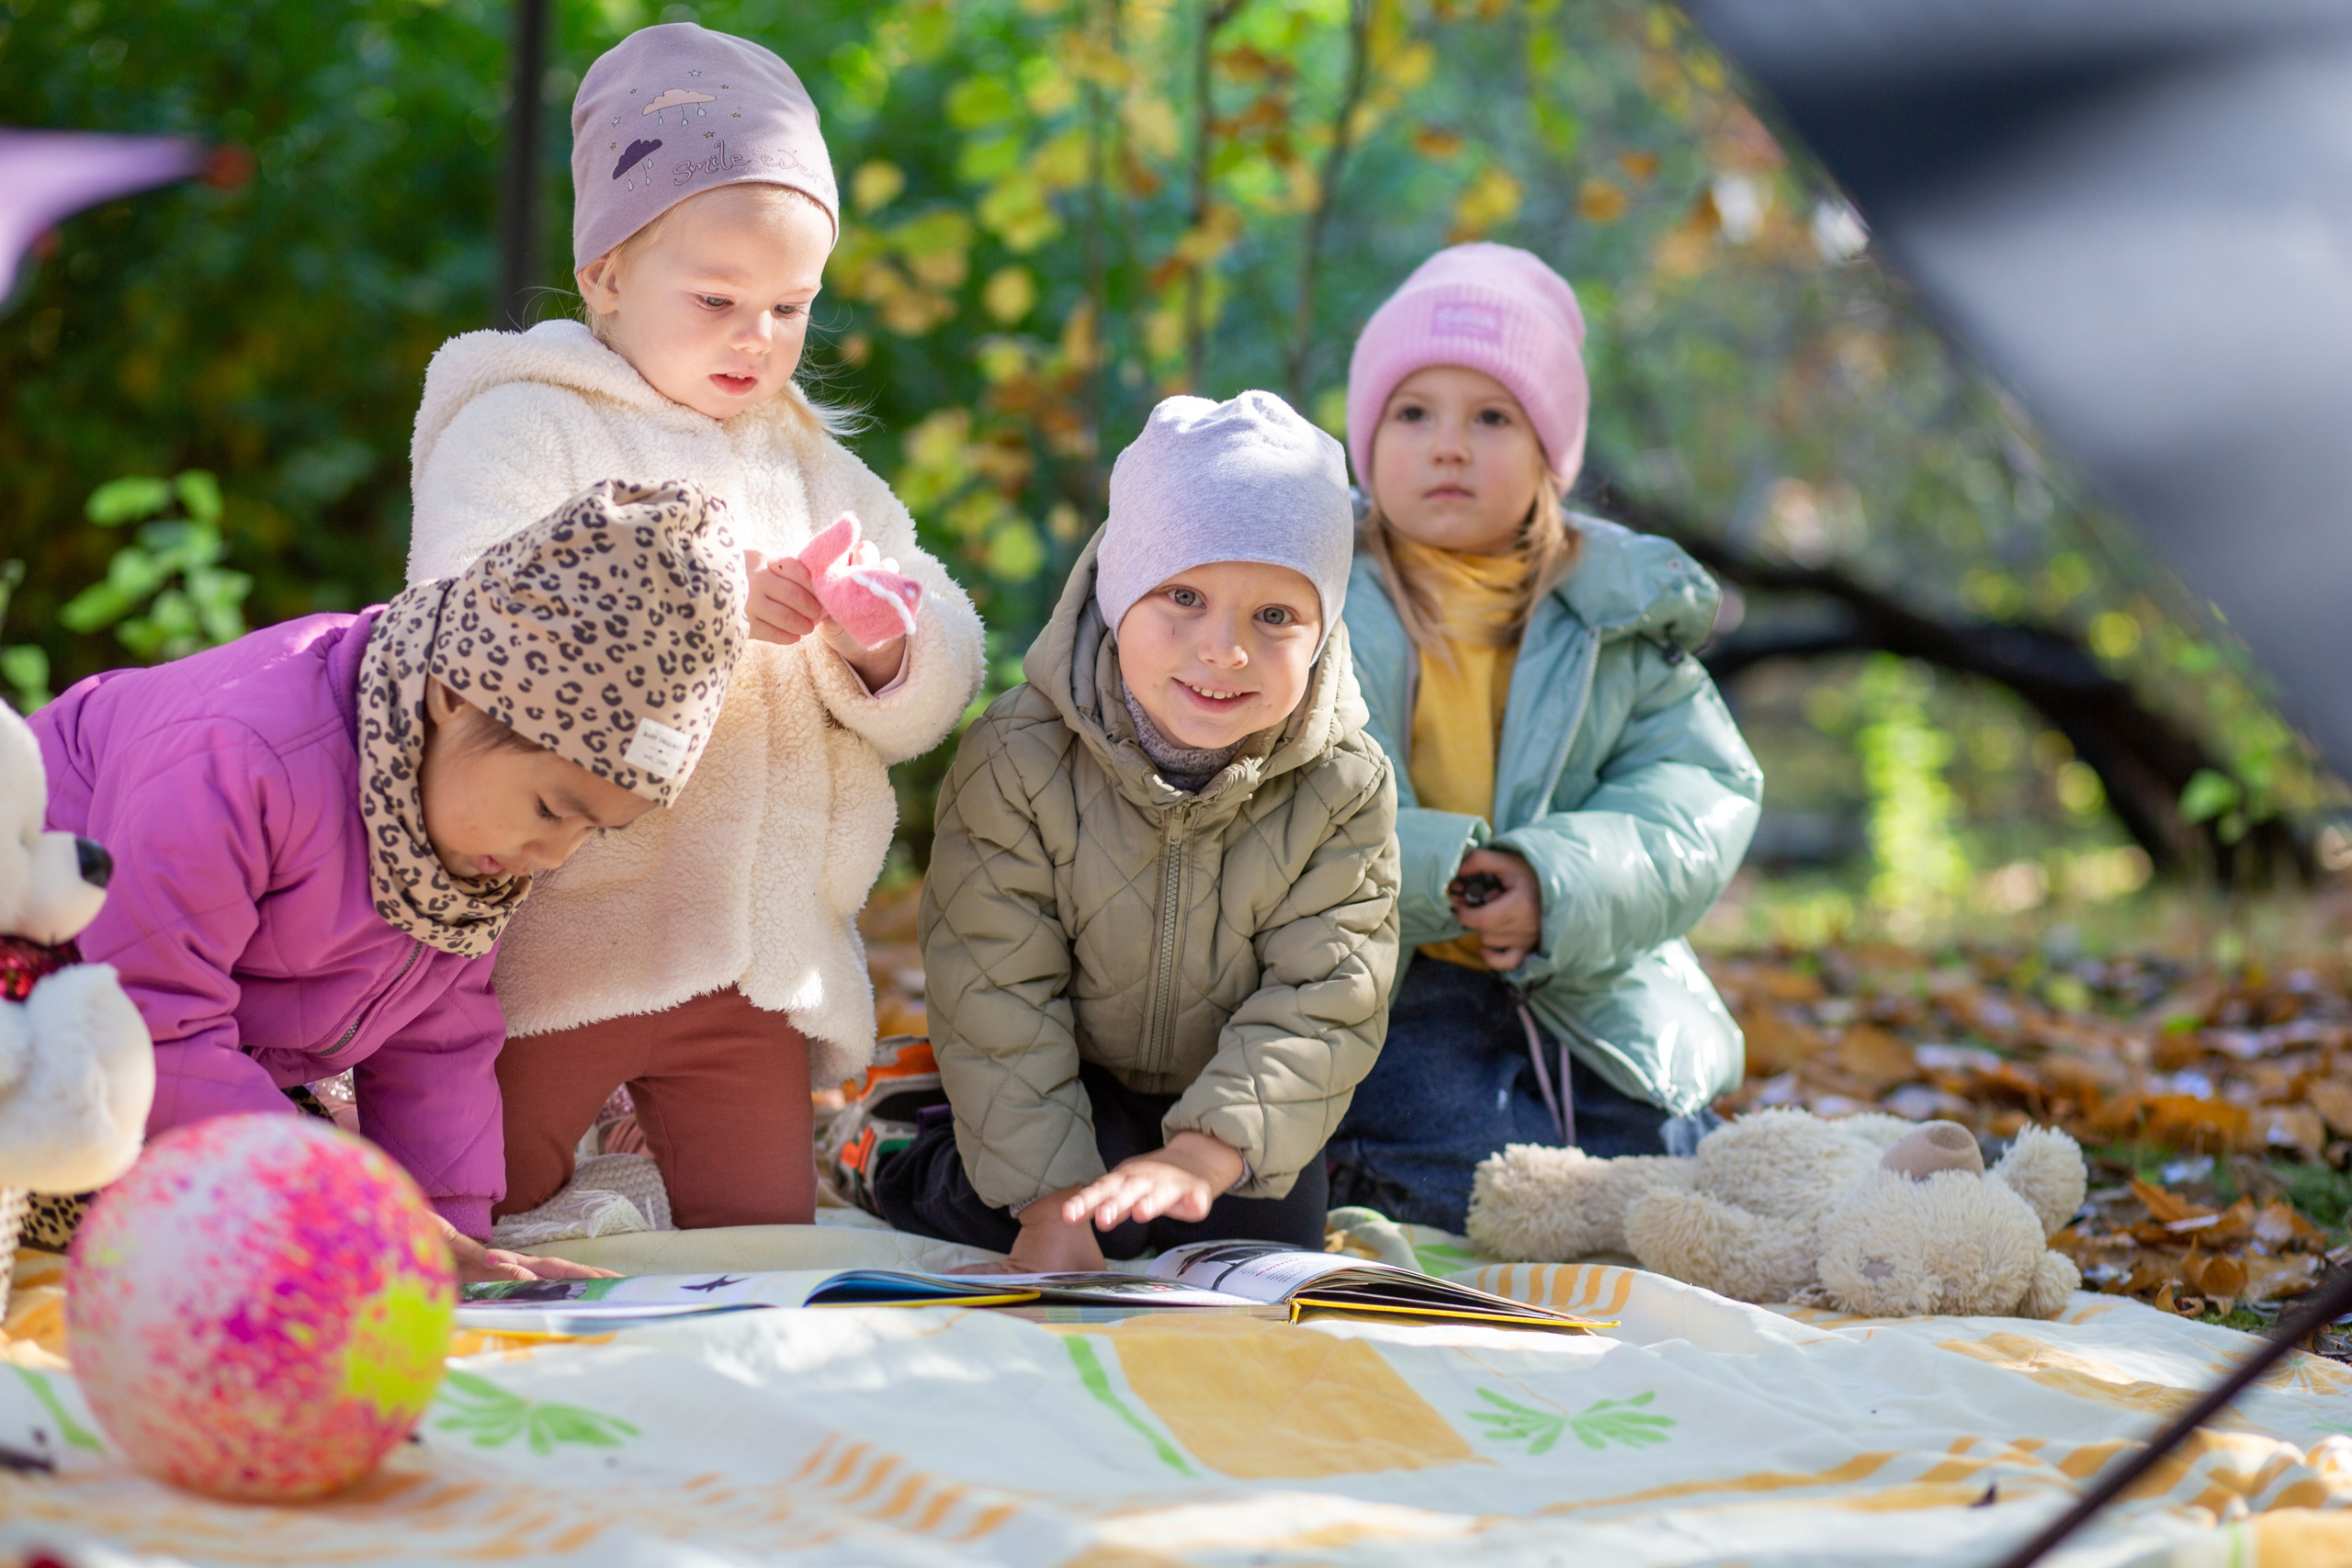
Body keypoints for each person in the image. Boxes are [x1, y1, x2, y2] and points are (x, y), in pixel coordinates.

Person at [405, 24, 984, 1230]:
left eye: (791, 305)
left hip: (749, 964)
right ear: (609, 274)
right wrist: (710, 602)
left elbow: (942, 674)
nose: (757, 337)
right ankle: (569, 1196)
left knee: (761, 1242)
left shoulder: (812, 465)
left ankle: (650, 1206)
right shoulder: (525, 425)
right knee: (473, 1206)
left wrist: (885, 643)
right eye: (717, 298)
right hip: (559, 943)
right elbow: (466, 624)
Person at [33, 479, 746, 1280]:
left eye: (593, 829)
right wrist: (358, 1218)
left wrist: (453, 1247)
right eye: (552, 808)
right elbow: (144, 1016)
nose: (556, 855)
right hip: (48, 1012)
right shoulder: (241, 757)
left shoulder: (465, 827)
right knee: (192, 1241)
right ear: (452, 694)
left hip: (183, 1057)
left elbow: (434, 1040)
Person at [879, 391, 1400, 1270]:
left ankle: (1193, 1173)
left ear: (1323, 631)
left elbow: (1327, 996)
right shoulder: (1019, 753)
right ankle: (889, 1150)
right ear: (1120, 594)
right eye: (1184, 595)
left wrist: (1208, 1152)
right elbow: (996, 986)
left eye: (1275, 616)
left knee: (1263, 1239)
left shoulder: (1345, 784)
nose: (1223, 647)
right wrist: (1046, 1202)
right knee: (1045, 1205)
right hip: (1066, 1070)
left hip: (1222, 1085)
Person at [1323, 243, 1765, 1234]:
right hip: (1388, 975)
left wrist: (1553, 880)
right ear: (1366, 437)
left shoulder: (1614, 616)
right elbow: (1285, 790)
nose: (1448, 445)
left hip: (1583, 967)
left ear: (1548, 456)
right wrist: (1441, 871)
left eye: (1491, 417)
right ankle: (1541, 1200)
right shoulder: (1310, 600)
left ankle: (1680, 1182)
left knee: (1663, 1131)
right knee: (1435, 1143)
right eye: (1412, 412)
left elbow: (1692, 794)